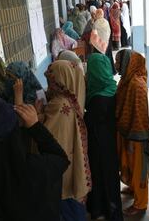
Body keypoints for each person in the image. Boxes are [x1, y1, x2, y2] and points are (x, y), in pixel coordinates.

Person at [43, 60, 91, 221]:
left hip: (62, 171)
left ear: (61, 81)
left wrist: (36, 118)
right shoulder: (72, 100)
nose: (49, 85)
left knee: (66, 206)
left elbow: (47, 138)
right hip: (71, 165)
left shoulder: (59, 105)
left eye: (51, 81)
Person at [85, 53, 123, 221]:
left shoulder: (97, 98)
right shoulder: (112, 88)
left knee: (100, 177)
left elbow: (89, 121)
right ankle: (111, 210)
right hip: (111, 142)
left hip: (99, 144)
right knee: (110, 178)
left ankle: (102, 210)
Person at [115, 49, 149, 216]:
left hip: (137, 135)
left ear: (128, 63)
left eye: (118, 62)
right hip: (127, 131)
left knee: (139, 169)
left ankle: (141, 204)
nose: (116, 65)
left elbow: (138, 114)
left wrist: (131, 136)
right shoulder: (126, 80)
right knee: (130, 164)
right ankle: (132, 188)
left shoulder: (136, 84)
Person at [90, 9, 116, 74]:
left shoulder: (96, 23)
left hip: (98, 44)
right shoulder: (106, 21)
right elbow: (109, 31)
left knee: (100, 58)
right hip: (107, 43)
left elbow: (94, 34)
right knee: (108, 57)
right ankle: (110, 71)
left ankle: (101, 72)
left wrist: (92, 41)